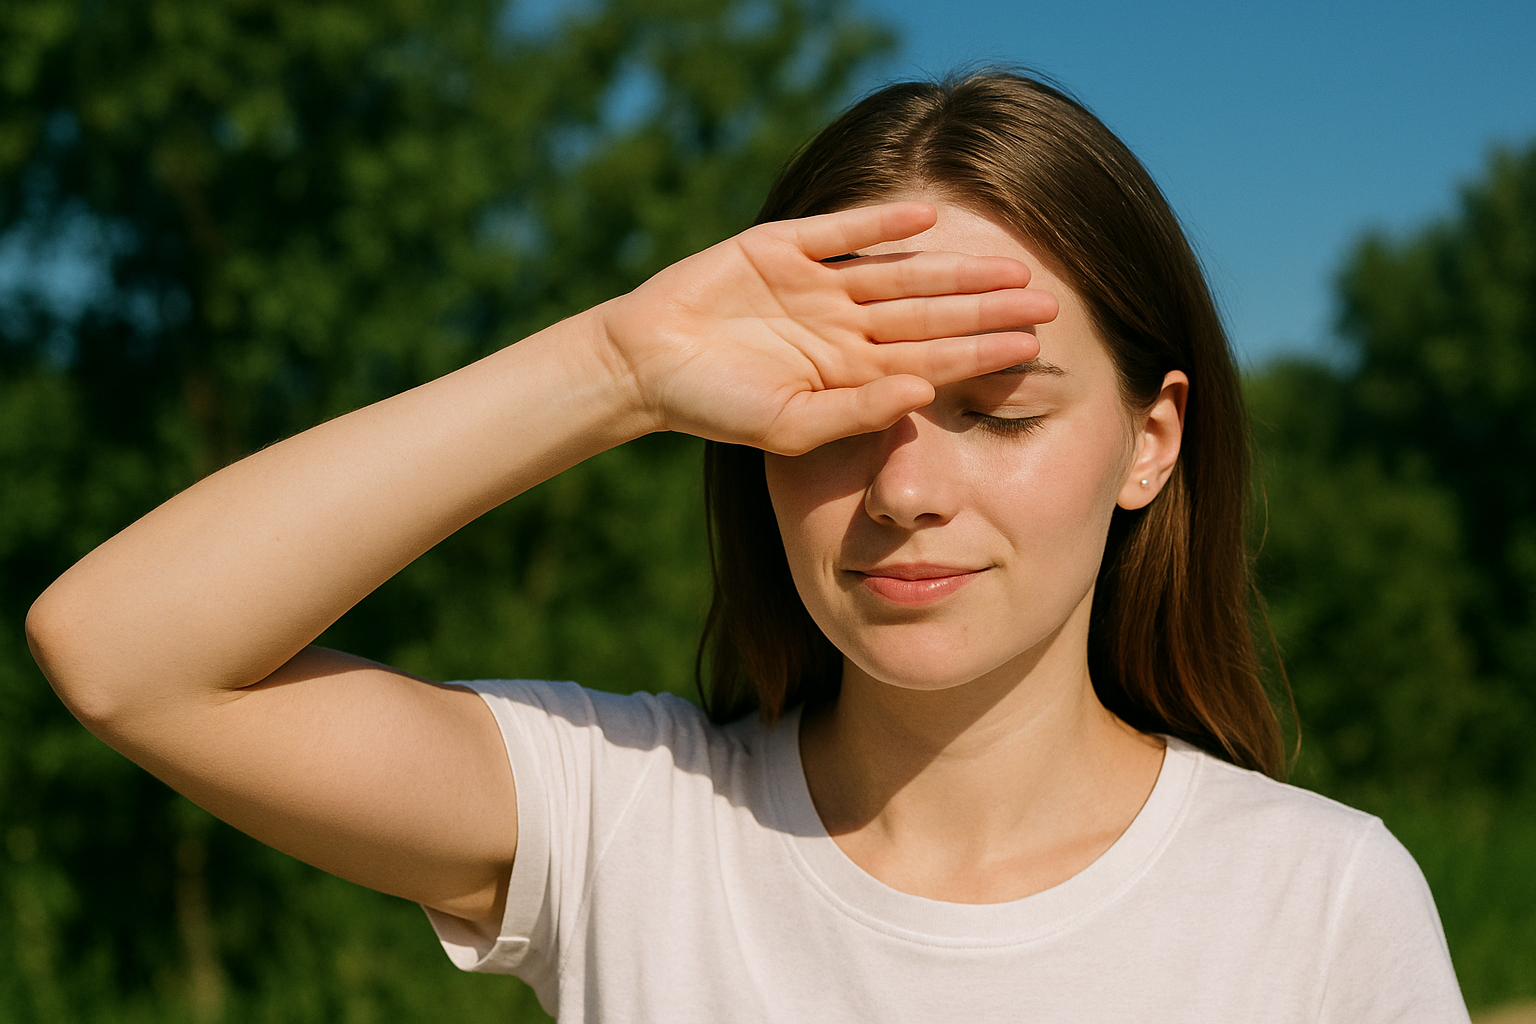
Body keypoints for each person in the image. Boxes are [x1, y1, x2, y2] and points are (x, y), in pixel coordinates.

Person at [27, 71, 1469, 1022]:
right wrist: (615, 366)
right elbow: (121, 654)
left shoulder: (1319, 902)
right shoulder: (629, 826)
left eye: (996, 411)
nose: (905, 486)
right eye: (838, 416)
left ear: (1152, 440)